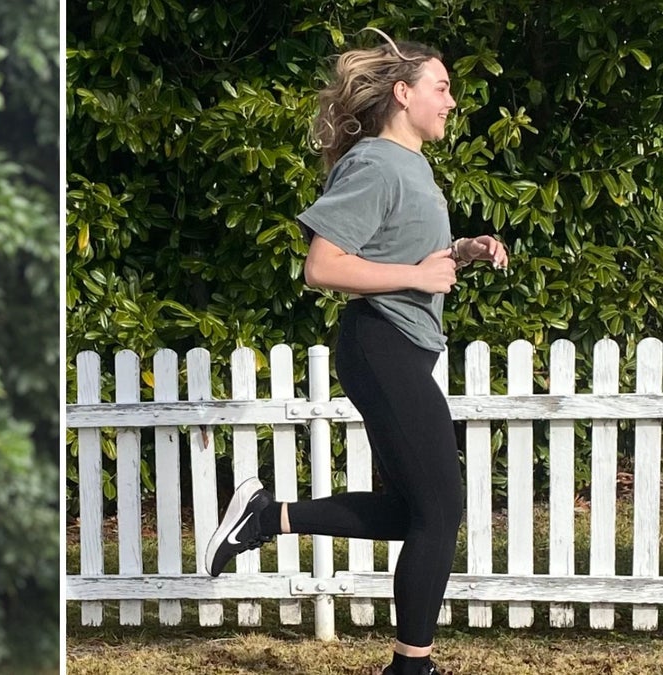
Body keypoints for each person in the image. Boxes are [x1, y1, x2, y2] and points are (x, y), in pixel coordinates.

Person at [205, 33, 507, 675]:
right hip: (381, 343)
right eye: (441, 87)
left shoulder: (413, 167)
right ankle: (411, 667)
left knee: (413, 511)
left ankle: (267, 516)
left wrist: (461, 252)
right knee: (441, 510)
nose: (451, 101)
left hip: (405, 347)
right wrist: (418, 276)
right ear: (403, 93)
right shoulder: (375, 162)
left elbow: (404, 253)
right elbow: (323, 266)